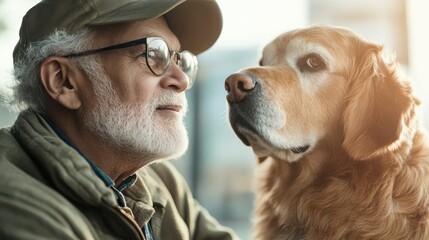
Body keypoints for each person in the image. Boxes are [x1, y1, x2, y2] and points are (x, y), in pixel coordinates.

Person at [0, 0, 240, 239]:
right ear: (64, 81)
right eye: (153, 53)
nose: (182, 80)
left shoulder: (159, 181)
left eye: (178, 59)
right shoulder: (14, 201)